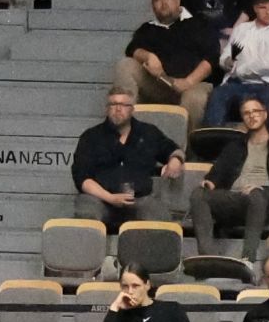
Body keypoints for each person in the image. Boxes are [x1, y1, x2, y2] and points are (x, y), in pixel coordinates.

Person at [190, 97, 269, 263]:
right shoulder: (235, 146)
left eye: (255, 111)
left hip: (268, 204)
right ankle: (207, 258)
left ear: (265, 114)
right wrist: (210, 182)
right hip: (236, 200)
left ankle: (248, 259)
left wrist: (262, 189)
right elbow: (216, 174)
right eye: (246, 113)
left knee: (256, 195)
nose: (251, 116)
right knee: (198, 194)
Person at [71, 90, 185, 233]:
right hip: (101, 199)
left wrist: (176, 160)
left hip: (140, 198)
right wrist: (110, 198)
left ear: (132, 109)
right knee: (86, 209)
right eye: (113, 104)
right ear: (107, 108)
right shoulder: (90, 137)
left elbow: (173, 149)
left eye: (124, 104)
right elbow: (82, 178)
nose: (118, 109)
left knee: (158, 217)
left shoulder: (148, 132)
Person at [116, 0, 217, 119]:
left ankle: (187, 141)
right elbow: (132, 49)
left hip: (193, 85)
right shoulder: (147, 29)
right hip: (160, 84)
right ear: (153, 6)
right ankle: (125, 128)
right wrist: (148, 57)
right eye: (158, 0)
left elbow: (212, 56)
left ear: (178, 0)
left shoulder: (198, 23)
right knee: (125, 65)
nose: (163, 3)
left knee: (194, 98)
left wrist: (188, 82)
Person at [207, 0, 269, 125]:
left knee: (267, 98)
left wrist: (239, 70)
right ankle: (213, 139)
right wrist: (226, 62)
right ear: (255, 9)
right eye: (262, 7)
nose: (268, 12)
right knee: (218, 94)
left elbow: (266, 65)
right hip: (237, 83)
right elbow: (227, 55)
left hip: (268, 84)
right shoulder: (242, 29)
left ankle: (265, 142)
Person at [96, 263, 196, 322]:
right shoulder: (122, 315)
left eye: (135, 286)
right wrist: (115, 307)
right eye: (125, 286)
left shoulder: (173, 310)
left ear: (147, 285)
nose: (130, 291)